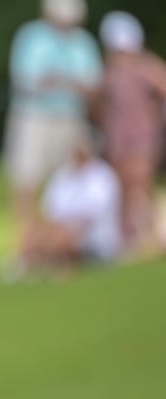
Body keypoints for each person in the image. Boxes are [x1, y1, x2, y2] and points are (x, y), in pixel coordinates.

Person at [2, 0, 102, 259]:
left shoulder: (84, 43)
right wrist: (65, 81)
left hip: (70, 118)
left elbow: (92, 87)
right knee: (26, 181)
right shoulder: (31, 37)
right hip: (33, 116)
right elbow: (26, 79)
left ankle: (57, 246)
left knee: (66, 182)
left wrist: (60, 80)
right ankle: (25, 245)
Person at [94, 11, 166, 256]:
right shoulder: (109, 71)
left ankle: (156, 236)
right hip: (118, 139)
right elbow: (100, 103)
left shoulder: (148, 66)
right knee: (122, 189)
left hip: (142, 137)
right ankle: (126, 240)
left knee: (141, 185)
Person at [6, 130, 121, 280]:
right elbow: (49, 211)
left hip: (93, 241)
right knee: (31, 228)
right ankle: (28, 263)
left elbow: (89, 217)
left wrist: (62, 229)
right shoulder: (62, 175)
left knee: (64, 234)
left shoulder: (102, 176)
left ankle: (56, 263)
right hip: (61, 230)